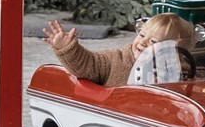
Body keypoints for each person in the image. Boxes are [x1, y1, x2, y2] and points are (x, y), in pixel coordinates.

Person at [42, 13, 196, 86]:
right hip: (116, 120)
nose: (143, 42)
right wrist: (68, 48)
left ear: (174, 53)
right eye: (142, 34)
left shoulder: (181, 71)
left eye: (154, 41)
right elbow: (89, 64)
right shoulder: (116, 59)